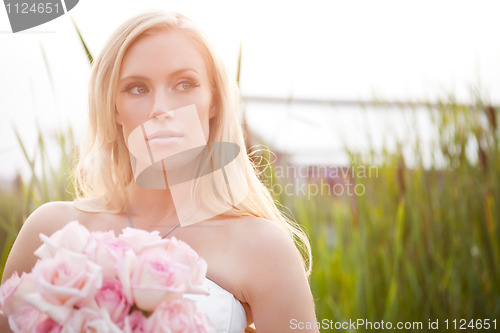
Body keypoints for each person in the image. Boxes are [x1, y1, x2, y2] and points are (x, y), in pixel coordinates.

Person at [1, 10, 318, 332]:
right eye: (137, 88)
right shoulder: (51, 231)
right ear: (114, 108)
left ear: (214, 102)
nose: (160, 109)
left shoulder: (264, 247)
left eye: (184, 84)